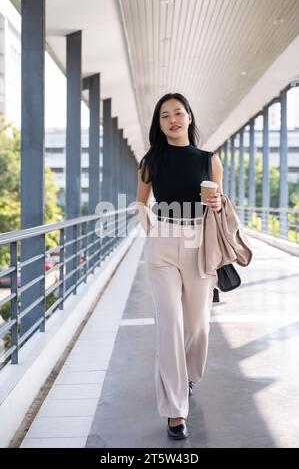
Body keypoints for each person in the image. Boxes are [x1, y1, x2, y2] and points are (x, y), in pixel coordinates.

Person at [135, 93, 223, 440]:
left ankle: (187, 375)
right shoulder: (150, 161)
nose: (172, 119)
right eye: (164, 116)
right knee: (169, 323)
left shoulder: (209, 160)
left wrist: (216, 202)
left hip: (199, 242)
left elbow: (218, 204)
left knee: (198, 326)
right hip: (163, 244)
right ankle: (174, 411)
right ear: (159, 124)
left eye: (178, 113)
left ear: (189, 117)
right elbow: (140, 203)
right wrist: (152, 232)